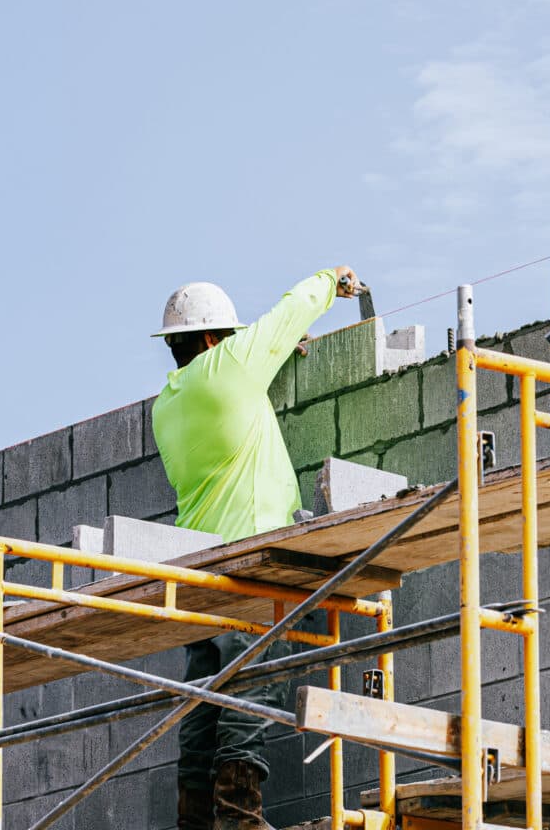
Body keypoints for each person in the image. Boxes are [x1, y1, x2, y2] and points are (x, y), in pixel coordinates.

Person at [151, 267, 359, 830]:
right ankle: (239, 817)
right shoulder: (231, 367)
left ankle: (195, 819)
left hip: (197, 567)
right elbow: (288, 311)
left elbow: (233, 387)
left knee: (202, 694)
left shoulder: (165, 407)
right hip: (250, 559)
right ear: (216, 338)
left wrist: (273, 352)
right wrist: (330, 280)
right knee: (249, 685)